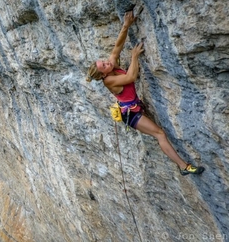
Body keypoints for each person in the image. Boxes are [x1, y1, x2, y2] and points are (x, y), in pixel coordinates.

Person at [86, 10, 204, 176]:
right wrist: (134, 57)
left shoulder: (111, 66)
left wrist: (126, 25)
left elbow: (117, 47)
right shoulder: (109, 81)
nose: (107, 62)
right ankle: (184, 167)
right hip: (131, 116)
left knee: (160, 132)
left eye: (103, 61)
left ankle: (183, 165)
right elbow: (131, 76)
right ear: (103, 74)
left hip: (134, 105)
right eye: (103, 65)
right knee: (159, 133)